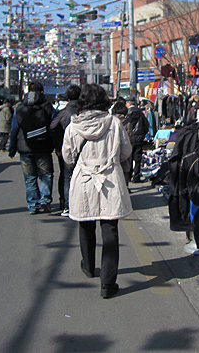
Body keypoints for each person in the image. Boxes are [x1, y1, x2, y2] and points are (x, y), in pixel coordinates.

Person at [62, 84, 132, 299]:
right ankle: (108, 284)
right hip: (109, 178)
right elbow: (126, 151)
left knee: (86, 223)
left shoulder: (73, 127)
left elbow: (67, 157)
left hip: (84, 179)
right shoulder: (114, 123)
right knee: (110, 229)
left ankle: (89, 266)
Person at [8, 82, 58, 214]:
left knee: (30, 178)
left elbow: (14, 130)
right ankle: (45, 199)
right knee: (46, 174)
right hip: (43, 147)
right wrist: (56, 144)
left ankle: (33, 204)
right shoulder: (48, 107)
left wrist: (11, 148)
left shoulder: (20, 108)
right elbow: (54, 127)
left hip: (25, 148)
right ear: (41, 92)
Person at [52, 84, 81, 216]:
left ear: (68, 98)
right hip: (83, 149)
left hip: (66, 149)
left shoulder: (62, 113)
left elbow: (52, 127)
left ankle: (66, 204)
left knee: (66, 176)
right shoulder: (84, 112)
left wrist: (58, 146)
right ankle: (81, 203)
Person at [124, 97, 149, 183]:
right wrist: (142, 134)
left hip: (130, 138)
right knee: (138, 158)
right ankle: (136, 177)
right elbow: (146, 125)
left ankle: (128, 177)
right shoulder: (140, 113)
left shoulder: (127, 113)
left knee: (129, 158)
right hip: (139, 138)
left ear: (129, 103)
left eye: (126, 103)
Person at [111, 100, 133, 186]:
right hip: (124, 151)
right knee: (124, 172)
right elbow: (130, 137)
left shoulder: (109, 122)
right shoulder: (127, 122)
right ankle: (125, 188)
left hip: (112, 152)